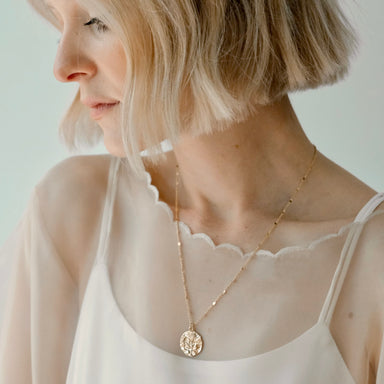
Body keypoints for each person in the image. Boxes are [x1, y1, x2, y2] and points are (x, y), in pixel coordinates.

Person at [0, 0, 383, 383]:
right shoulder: (73, 214)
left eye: (97, 21)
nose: (63, 67)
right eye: (59, 25)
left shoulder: (372, 268)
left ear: (206, 15)